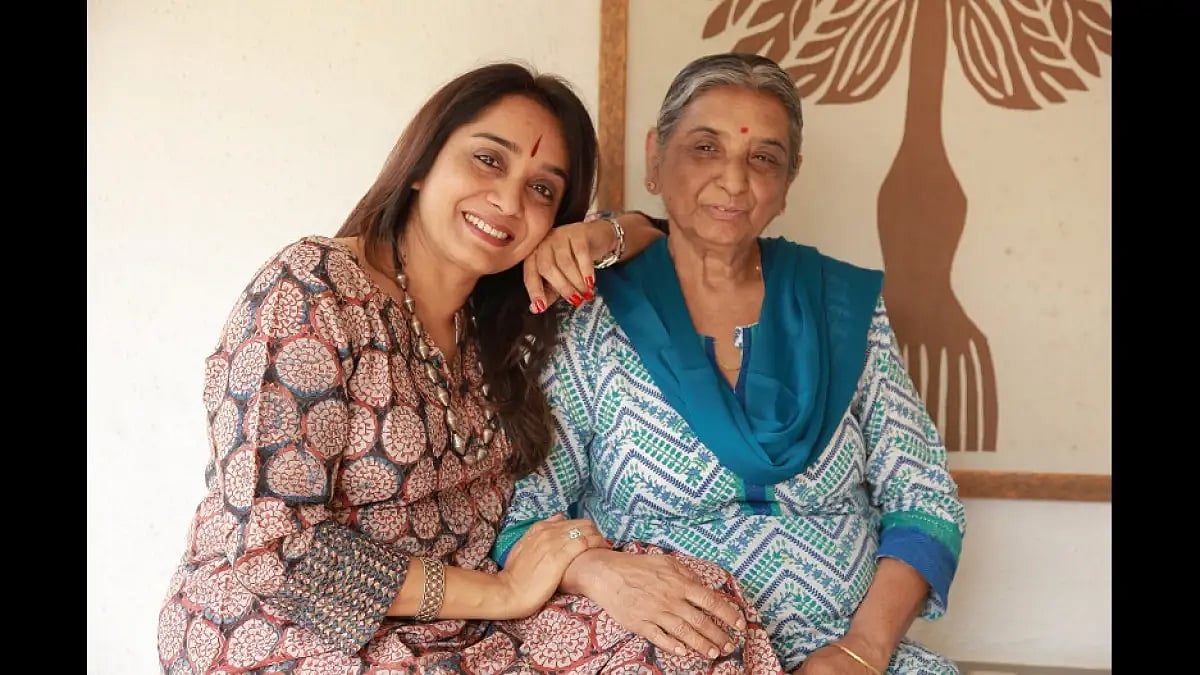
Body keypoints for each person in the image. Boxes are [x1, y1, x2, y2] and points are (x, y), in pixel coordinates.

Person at [155, 61, 787, 673]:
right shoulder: (312, 291)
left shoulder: (504, 318)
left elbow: (657, 231)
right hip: (286, 623)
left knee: (692, 629)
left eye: (542, 189)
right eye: (489, 159)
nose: (509, 200)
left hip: (458, 631)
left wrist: (597, 238)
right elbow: (276, 551)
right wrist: (507, 593)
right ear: (423, 163)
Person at [497, 53, 968, 674]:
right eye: (704, 148)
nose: (734, 181)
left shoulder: (843, 310)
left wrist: (862, 651)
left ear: (788, 181)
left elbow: (925, 498)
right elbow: (524, 518)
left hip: (847, 652)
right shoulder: (588, 317)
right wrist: (602, 572)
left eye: (763, 158)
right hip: (654, 651)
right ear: (654, 160)